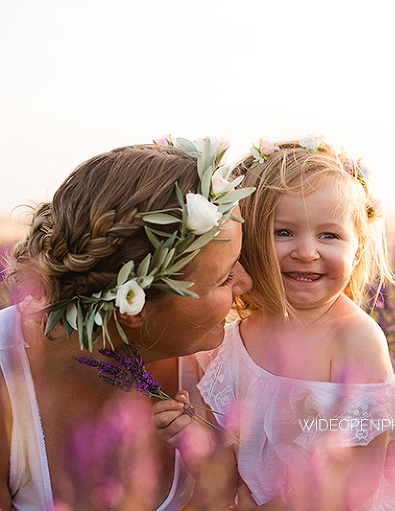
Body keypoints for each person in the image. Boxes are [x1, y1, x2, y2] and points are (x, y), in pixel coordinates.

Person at [153, 136, 395, 510]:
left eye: (329, 235)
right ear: (251, 241)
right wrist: (193, 439)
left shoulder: (355, 339)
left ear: (356, 252)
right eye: (283, 232)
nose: (306, 252)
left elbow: (361, 475)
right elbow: (225, 483)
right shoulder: (231, 342)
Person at [0, 136, 253, 510]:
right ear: (134, 309)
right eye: (224, 278)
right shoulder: (8, 381)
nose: (246, 283)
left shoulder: (225, 365)